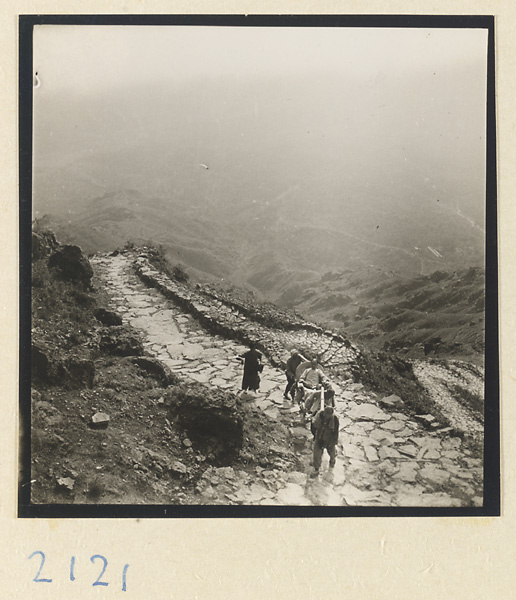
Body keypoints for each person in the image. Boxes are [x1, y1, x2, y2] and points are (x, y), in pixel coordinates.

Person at [310, 406, 339, 477]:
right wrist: (315, 436)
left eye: (329, 415)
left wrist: (334, 441)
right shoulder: (319, 416)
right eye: (326, 414)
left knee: (331, 452)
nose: (327, 416)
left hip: (329, 438)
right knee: (317, 453)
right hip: (319, 437)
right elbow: (314, 426)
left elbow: (336, 432)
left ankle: (332, 460)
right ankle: (316, 468)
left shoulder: (335, 419)